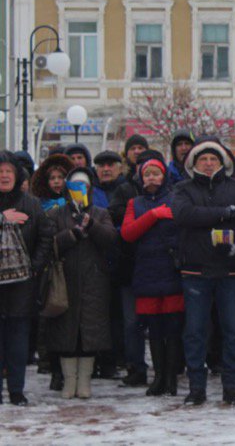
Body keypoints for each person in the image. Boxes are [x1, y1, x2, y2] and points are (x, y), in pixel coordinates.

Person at [172, 137, 235, 406]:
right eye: (203, 160)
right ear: (193, 163)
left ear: (222, 163)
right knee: (196, 331)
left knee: (233, 331)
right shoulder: (182, 189)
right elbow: (184, 215)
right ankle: (196, 388)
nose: (208, 164)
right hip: (195, 270)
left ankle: (232, 387)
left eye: (213, 159)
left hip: (231, 270)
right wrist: (223, 213)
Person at [47, 167, 117, 399]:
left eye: (84, 186)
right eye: (75, 186)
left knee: (89, 334)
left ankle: (84, 380)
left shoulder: (100, 212)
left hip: (93, 281)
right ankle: (69, 381)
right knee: (66, 334)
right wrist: (73, 234)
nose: (80, 191)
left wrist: (91, 226)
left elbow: (110, 239)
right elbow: (50, 243)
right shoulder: (58, 214)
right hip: (64, 281)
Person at [120, 157, 183, 397]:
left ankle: (171, 378)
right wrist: (154, 215)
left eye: (156, 174)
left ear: (164, 176)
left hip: (171, 270)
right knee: (154, 329)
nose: (152, 178)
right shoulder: (134, 203)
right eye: (148, 174)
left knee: (173, 327)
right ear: (141, 178)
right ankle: (158, 377)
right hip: (146, 272)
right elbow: (128, 233)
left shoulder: (176, 199)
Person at [109, 145, 165, 389]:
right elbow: (122, 225)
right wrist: (152, 216)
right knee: (132, 323)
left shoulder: (172, 194)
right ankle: (136, 368)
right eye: (146, 169)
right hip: (130, 266)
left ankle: (165, 370)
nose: (151, 175)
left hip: (162, 268)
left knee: (161, 324)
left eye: (156, 169)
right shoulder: (125, 192)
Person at [0, 151, 52, 406]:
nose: (4, 175)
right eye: (0, 171)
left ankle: (17, 390)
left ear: (17, 175)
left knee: (18, 339)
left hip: (22, 284)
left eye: (8, 171)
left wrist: (35, 267)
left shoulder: (30, 203)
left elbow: (45, 235)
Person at [30, 153, 75, 391]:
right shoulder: (39, 206)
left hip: (74, 267)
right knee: (50, 318)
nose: (57, 182)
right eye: (53, 178)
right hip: (51, 269)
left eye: (61, 177)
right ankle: (53, 367)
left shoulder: (76, 204)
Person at [91, 149, 128, 381]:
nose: (106, 169)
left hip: (120, 260)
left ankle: (114, 361)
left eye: (111, 165)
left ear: (119, 167)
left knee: (118, 316)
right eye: (101, 165)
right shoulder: (89, 190)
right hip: (94, 261)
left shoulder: (125, 189)